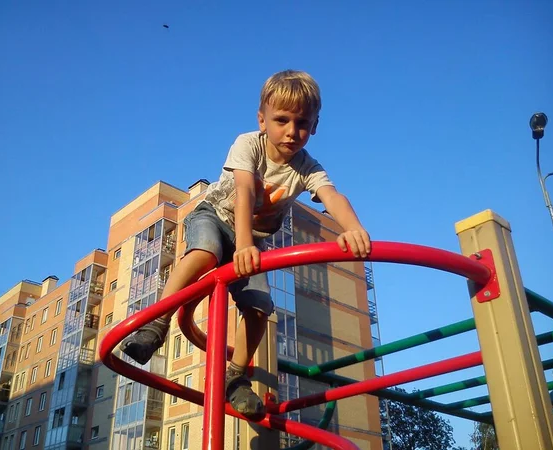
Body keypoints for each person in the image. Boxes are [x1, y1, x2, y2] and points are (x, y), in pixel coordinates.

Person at [120, 69, 371, 420]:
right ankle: (156, 324)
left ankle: (235, 376)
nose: (291, 131)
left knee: (259, 306)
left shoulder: (307, 167)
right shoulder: (248, 144)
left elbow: (332, 195)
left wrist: (354, 228)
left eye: (302, 123)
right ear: (262, 120)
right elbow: (244, 191)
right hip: (215, 217)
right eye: (281, 120)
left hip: (250, 240)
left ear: (314, 126)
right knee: (206, 253)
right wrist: (241, 245)